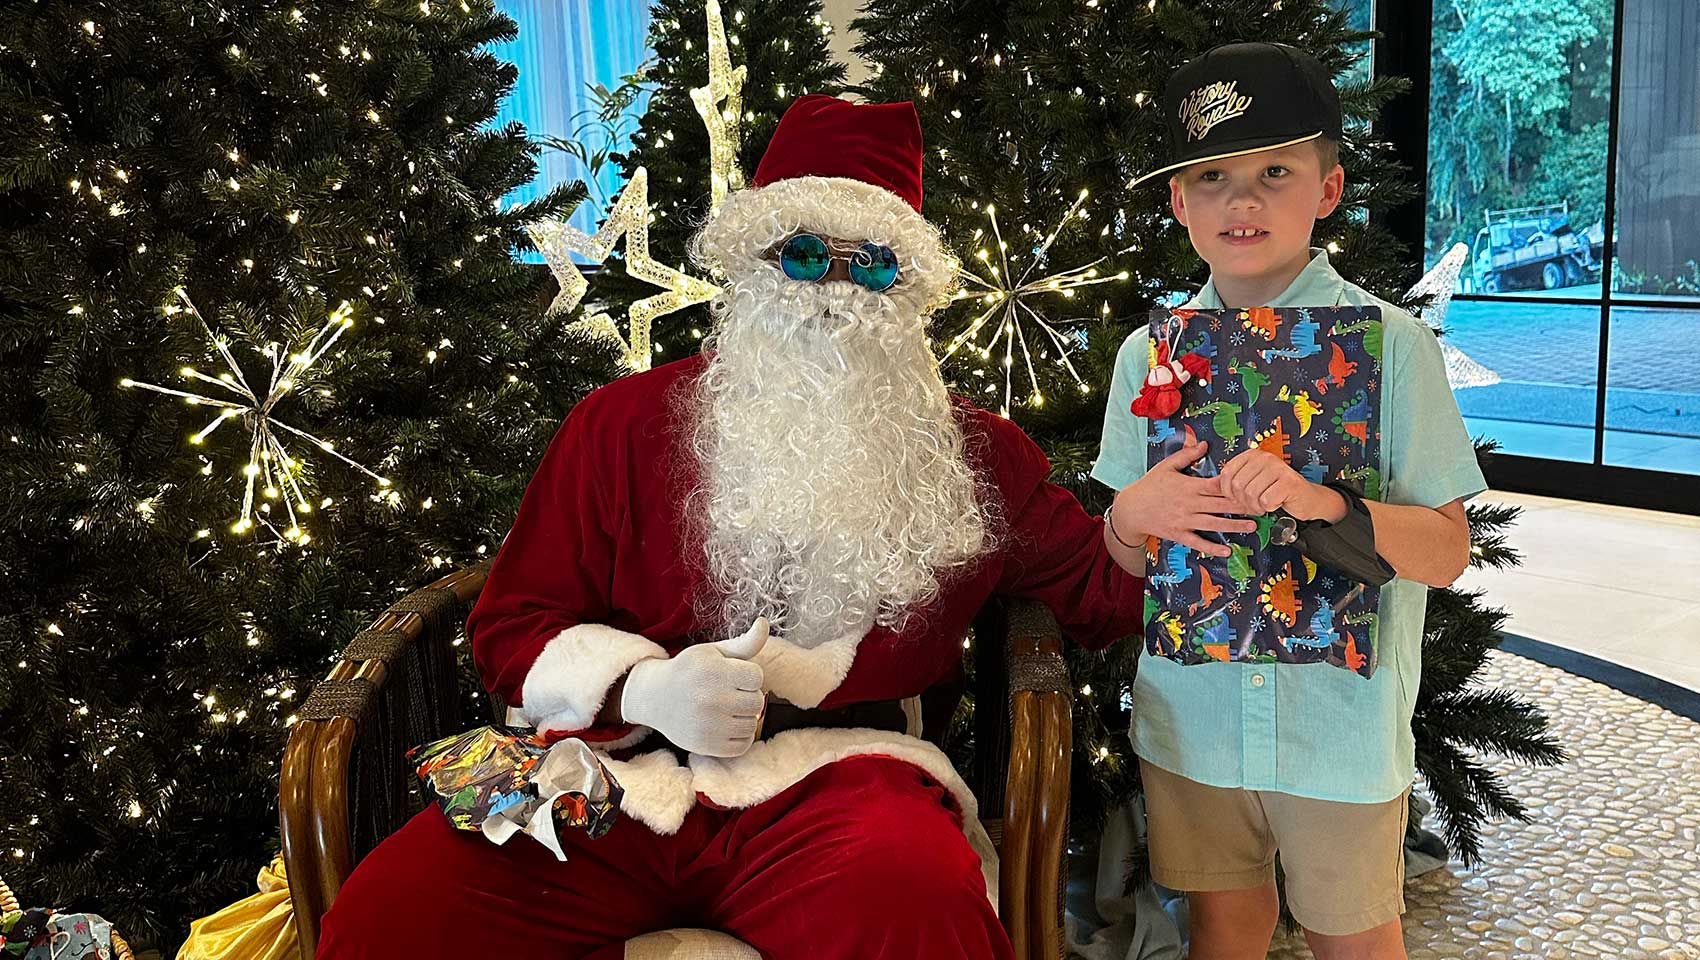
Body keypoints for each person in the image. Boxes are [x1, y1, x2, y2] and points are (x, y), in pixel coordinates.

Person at [315, 94, 1142, 960]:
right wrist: (643, 690)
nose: (834, 290)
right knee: (395, 912)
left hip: (843, 781)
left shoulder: (973, 453)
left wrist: (1138, 519)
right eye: (807, 254)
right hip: (611, 769)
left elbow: (1099, 594)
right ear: (752, 262)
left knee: (916, 907)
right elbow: (513, 625)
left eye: (873, 266)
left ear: (910, 291)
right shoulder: (618, 424)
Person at [1094, 43, 1486, 960]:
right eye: (1214, 175)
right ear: (1179, 201)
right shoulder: (1143, 360)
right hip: (1193, 723)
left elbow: (1446, 551)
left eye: (1276, 171)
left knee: (1354, 936)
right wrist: (1128, 520)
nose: (1244, 199)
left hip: (1337, 732)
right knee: (1223, 932)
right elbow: (1128, 560)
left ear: (1329, 188)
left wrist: (1324, 503)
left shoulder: (1393, 349)